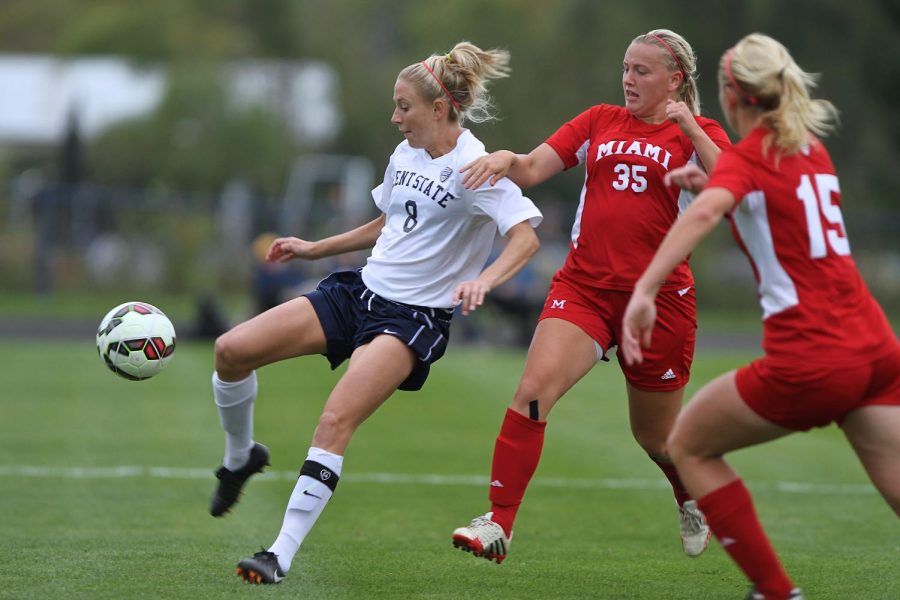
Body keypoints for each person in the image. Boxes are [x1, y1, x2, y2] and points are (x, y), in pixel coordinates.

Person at [209, 41, 543, 585]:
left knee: (334, 420)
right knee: (230, 350)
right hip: (357, 292)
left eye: (403, 106)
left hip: (411, 321)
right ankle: (240, 457)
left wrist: (484, 279)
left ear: (438, 109)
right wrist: (313, 247)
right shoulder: (405, 154)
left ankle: (279, 553)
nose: (395, 117)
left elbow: (526, 240)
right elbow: (387, 221)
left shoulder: (475, 167)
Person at [621, 33, 900, 600]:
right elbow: (779, 208)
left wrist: (645, 289)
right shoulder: (808, 148)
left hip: (814, 356)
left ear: (732, 94)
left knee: (690, 446)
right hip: (876, 350)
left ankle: (775, 591)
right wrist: (718, 185)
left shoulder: (747, 158)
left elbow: (702, 219)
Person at [451, 28, 731, 563]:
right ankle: (497, 522)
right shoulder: (599, 120)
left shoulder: (697, 133)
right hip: (584, 290)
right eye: (626, 68)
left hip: (658, 303)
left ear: (675, 80)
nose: (628, 79)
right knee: (532, 391)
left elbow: (729, 184)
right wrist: (506, 157)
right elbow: (533, 168)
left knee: (656, 440)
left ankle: (687, 494)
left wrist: (691, 126)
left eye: (641, 71)